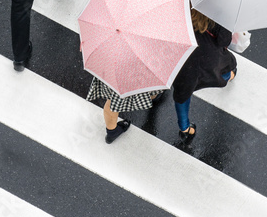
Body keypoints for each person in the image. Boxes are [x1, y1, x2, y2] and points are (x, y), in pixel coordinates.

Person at [171, 9, 236, 140]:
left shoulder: (181, 7)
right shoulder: (218, 17)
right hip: (207, 60)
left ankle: (184, 128)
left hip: (181, 60)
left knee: (182, 92)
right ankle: (230, 75)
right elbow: (224, 41)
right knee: (223, 73)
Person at [85, 80, 162, 144]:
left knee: (112, 100)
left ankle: (112, 132)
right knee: (149, 79)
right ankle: (151, 96)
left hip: (116, 72)